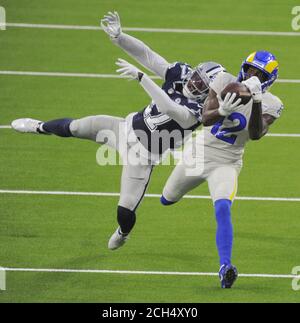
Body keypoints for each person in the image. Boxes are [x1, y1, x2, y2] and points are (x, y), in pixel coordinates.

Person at [11, 11, 225, 251]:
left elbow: (170, 108)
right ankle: (38, 127)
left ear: (209, 93)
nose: (193, 83)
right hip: (122, 128)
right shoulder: (182, 74)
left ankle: (123, 233)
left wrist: (142, 79)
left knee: (125, 210)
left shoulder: (199, 111)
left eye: (201, 84)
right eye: (196, 76)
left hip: (143, 156)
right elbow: (149, 56)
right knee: (75, 126)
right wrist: (120, 37)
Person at [160, 50, 284, 288]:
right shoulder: (224, 80)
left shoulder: (273, 104)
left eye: (259, 73)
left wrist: (256, 101)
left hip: (227, 162)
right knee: (167, 198)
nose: (252, 75)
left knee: (223, 208)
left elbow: (256, 134)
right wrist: (223, 111)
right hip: (199, 155)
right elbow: (206, 118)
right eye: (250, 70)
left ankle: (225, 266)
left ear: (269, 79)